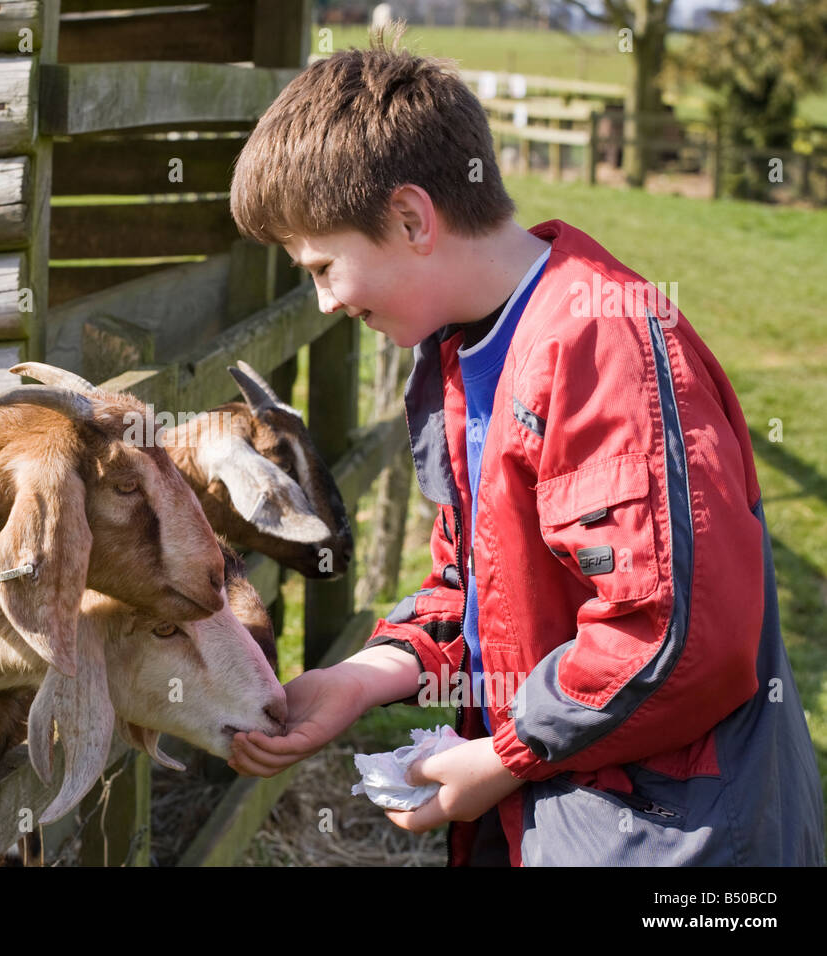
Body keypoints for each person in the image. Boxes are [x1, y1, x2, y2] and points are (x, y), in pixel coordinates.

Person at [225, 29, 824, 865]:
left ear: (411, 218)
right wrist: (357, 681)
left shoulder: (601, 349)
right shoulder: (464, 353)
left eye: (324, 267)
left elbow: (670, 635)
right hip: (571, 811)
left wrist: (504, 759)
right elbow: (478, 588)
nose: (324, 301)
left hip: (668, 835)